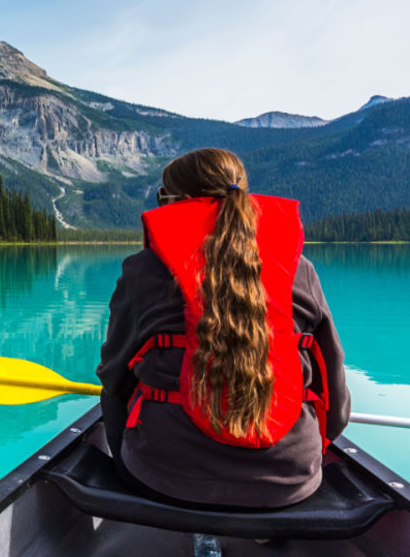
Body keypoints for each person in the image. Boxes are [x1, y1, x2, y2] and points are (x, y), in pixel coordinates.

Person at [97, 147, 350, 509]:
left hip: (164, 478)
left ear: (178, 202)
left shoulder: (143, 271)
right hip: (290, 481)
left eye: (161, 198)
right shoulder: (300, 271)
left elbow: (115, 378)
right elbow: (335, 401)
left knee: (114, 388)